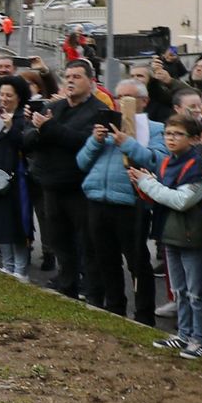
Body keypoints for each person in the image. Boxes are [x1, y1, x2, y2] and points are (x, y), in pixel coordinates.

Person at [132, 116, 202, 359]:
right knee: (178, 289)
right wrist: (142, 185)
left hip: (193, 235)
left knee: (196, 291)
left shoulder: (199, 165)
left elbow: (181, 201)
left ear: (193, 139)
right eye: (168, 133)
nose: (171, 138)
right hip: (170, 233)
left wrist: (147, 184)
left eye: (178, 134)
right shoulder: (167, 162)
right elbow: (161, 197)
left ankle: (199, 338)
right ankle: (184, 333)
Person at [27, 61, 107, 298]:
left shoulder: (97, 111)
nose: (70, 81)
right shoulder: (55, 107)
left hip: (79, 187)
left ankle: (93, 292)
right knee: (58, 240)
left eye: (77, 77)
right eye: (67, 76)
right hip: (50, 185)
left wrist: (49, 130)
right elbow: (29, 139)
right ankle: (67, 284)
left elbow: (83, 141)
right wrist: (42, 130)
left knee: (87, 243)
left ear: (91, 81)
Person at [75, 107, 158, 321]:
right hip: (98, 201)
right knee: (106, 259)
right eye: (119, 98)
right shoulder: (105, 131)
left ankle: (144, 314)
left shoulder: (155, 129)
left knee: (137, 261)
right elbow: (82, 163)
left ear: (143, 101)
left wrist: (128, 143)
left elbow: (156, 161)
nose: (122, 104)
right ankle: (115, 307)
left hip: (129, 205)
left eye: (128, 99)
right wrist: (95, 141)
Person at [0, 79, 36, 279]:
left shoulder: (22, 119)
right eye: (1, 95)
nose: (4, 99)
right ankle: (7, 265)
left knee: (17, 226)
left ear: (19, 97)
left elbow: (25, 145)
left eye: (9, 95)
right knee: (0, 224)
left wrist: (11, 127)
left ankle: (20, 270)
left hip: (12, 180)